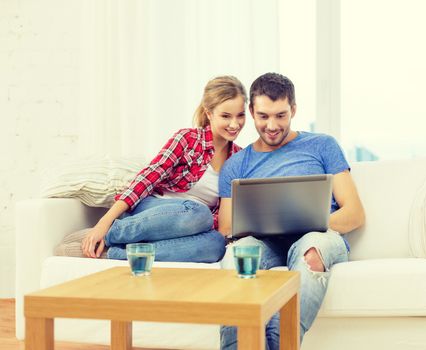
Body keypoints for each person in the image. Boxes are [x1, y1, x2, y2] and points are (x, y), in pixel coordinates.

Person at [218, 73, 365, 349]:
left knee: (312, 249)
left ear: (293, 110)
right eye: (263, 116)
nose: (272, 126)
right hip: (265, 243)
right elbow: (226, 227)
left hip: (319, 236)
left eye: (281, 116)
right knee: (237, 255)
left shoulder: (322, 146)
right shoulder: (237, 165)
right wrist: (266, 222)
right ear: (251, 112)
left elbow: (354, 213)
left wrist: (304, 221)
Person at [81, 76, 247, 262]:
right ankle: (113, 233)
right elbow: (147, 178)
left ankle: (117, 254)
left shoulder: (238, 159)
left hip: (189, 226)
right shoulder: (187, 139)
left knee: (215, 244)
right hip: (154, 210)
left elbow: (223, 223)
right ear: (209, 113)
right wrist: (103, 223)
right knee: (199, 213)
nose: (235, 124)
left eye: (240, 115)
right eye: (226, 116)